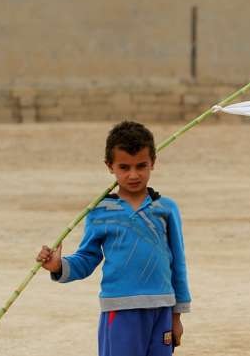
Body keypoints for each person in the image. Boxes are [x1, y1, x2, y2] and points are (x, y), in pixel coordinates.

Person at [36, 120, 191, 356]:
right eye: (124, 167)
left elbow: (178, 263)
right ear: (110, 166)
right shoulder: (100, 212)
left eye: (141, 166)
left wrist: (177, 316)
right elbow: (87, 258)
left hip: (162, 308)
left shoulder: (166, 209)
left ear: (153, 163)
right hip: (120, 310)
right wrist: (59, 265)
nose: (133, 175)